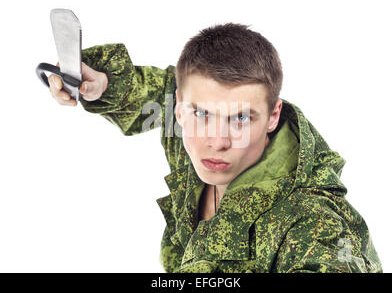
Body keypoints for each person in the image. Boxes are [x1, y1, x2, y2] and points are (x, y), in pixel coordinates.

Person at [47, 23, 382, 273]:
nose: (217, 141)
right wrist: (104, 84)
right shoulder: (185, 127)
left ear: (272, 116)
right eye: (203, 113)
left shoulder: (309, 222)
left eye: (240, 119)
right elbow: (162, 89)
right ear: (179, 108)